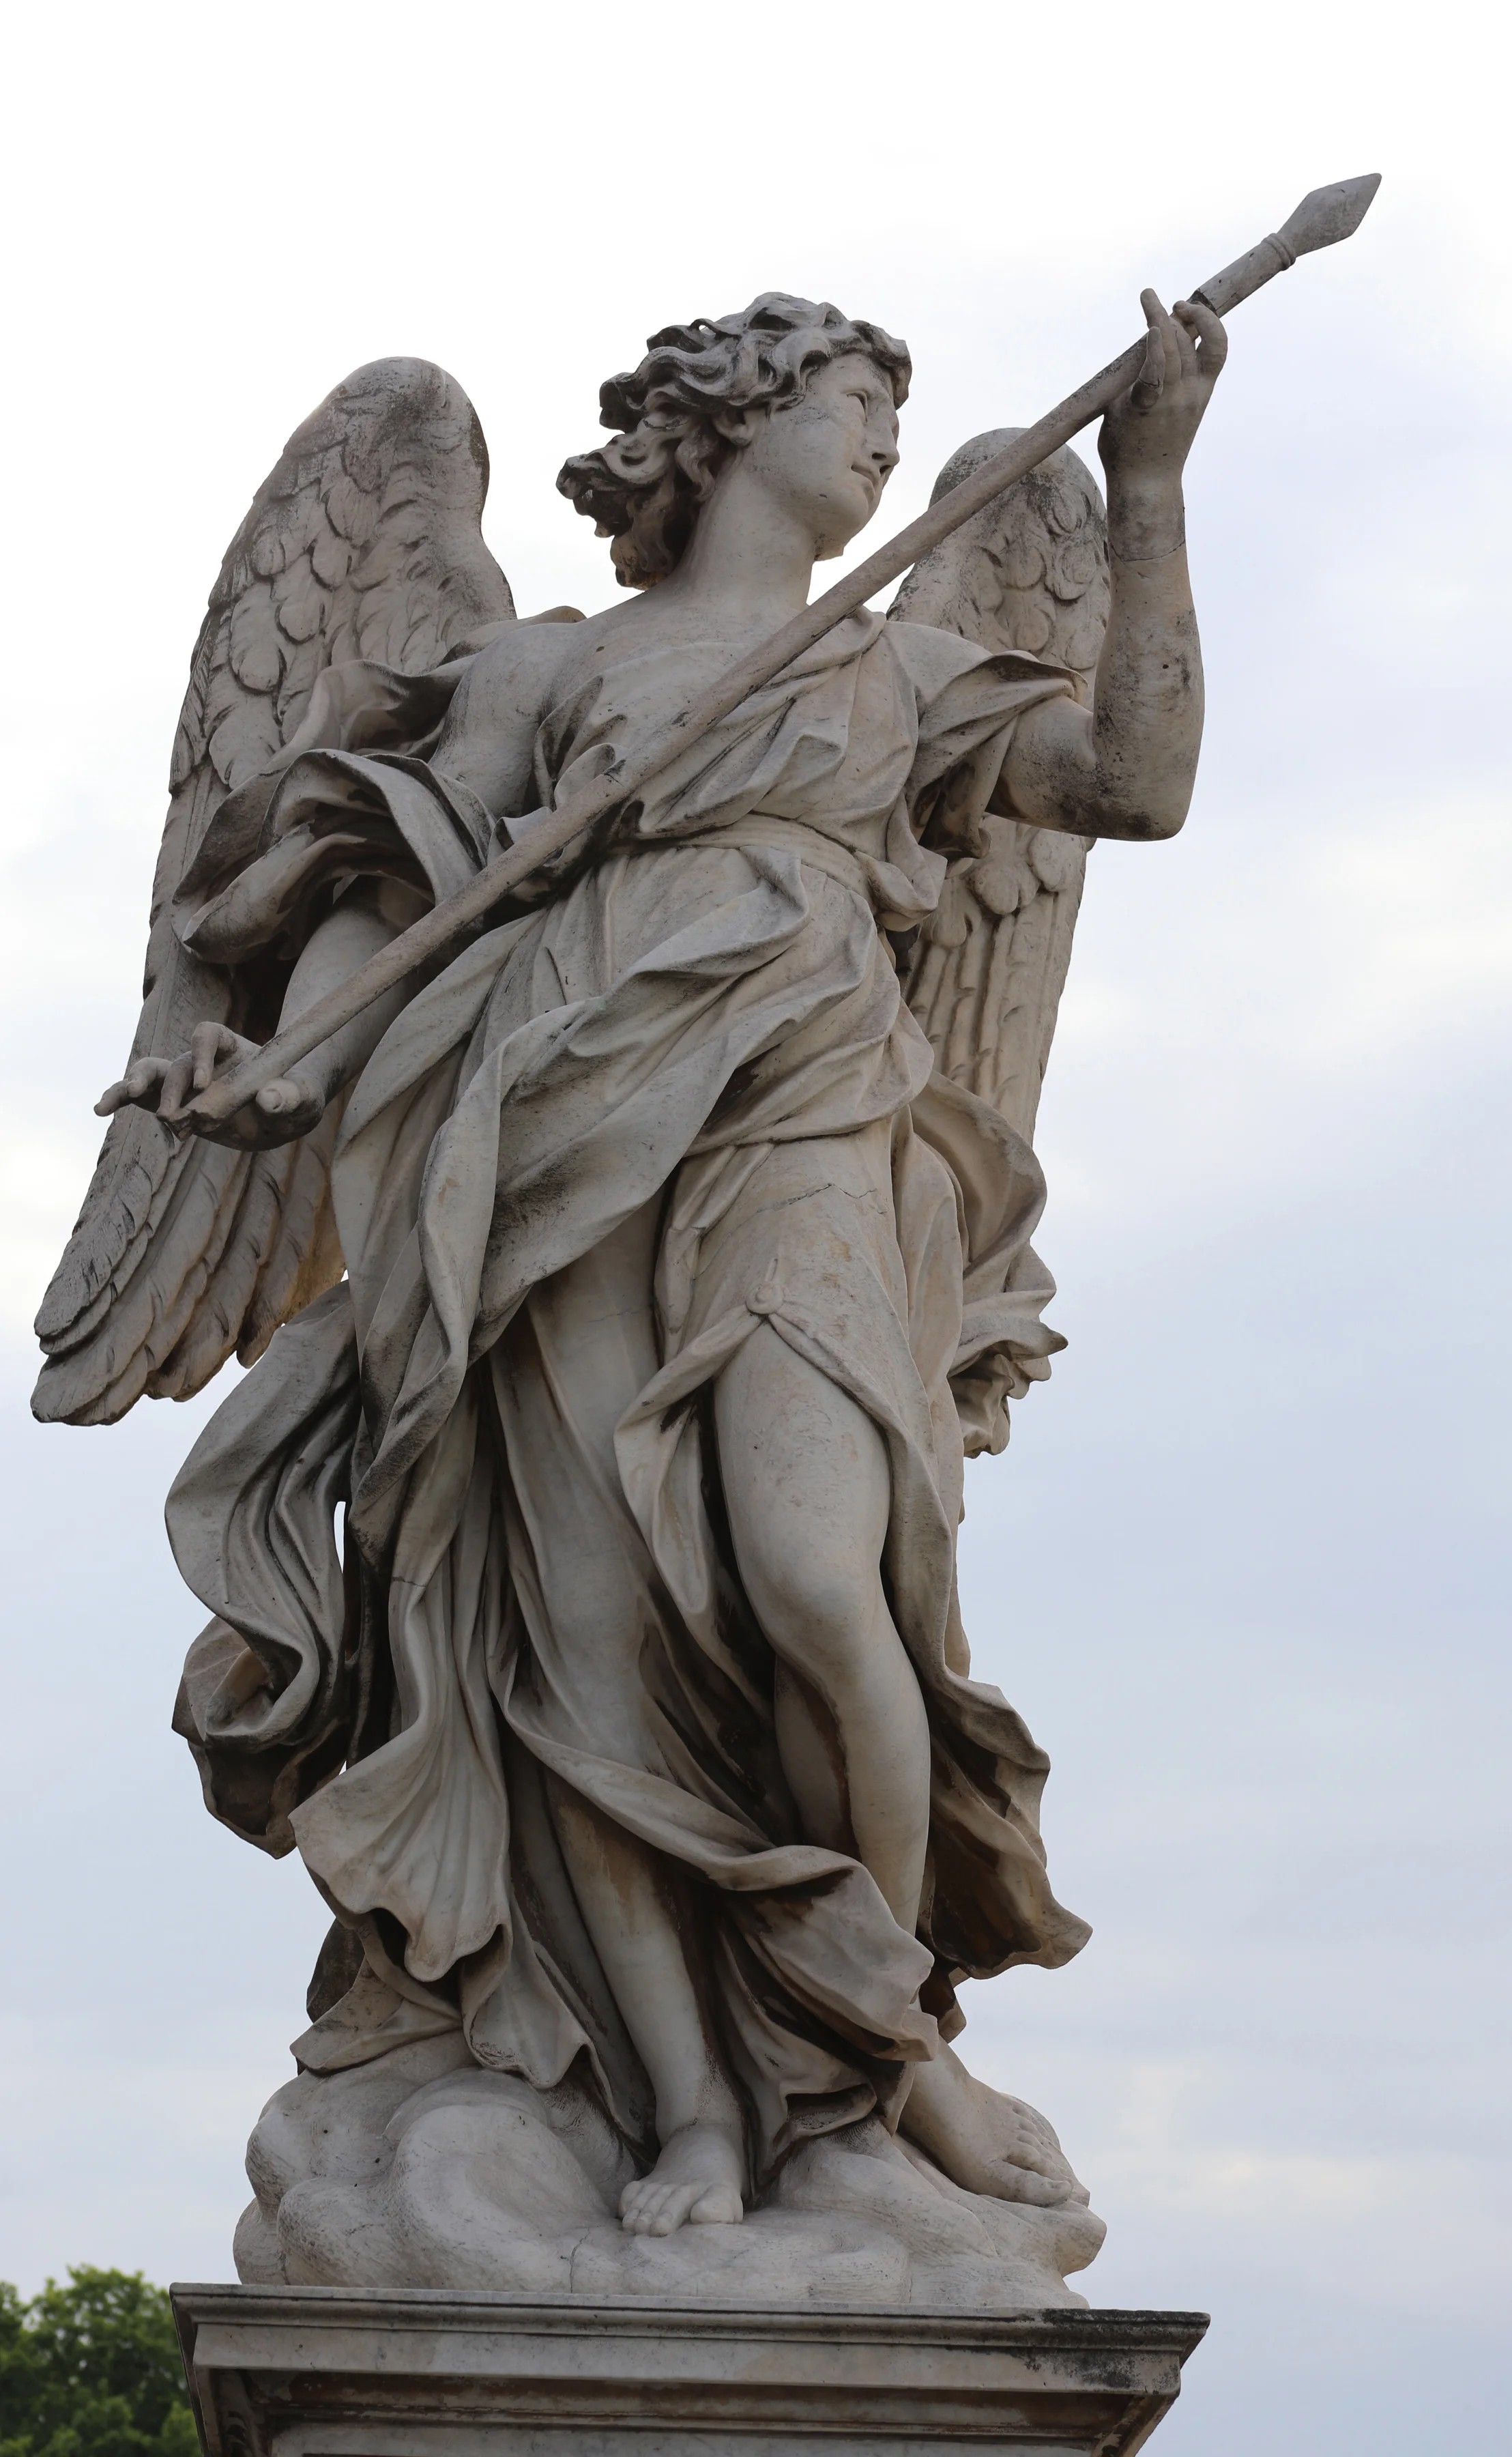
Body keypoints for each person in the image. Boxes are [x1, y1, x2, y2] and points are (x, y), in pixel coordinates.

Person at [104, 287, 1225, 2239]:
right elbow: (402, 921)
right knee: (582, 1649)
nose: (886, 441)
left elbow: (1138, 784)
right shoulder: (553, 672)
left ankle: (873, 2053)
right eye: (857, 402)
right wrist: (281, 1093)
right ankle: (698, 2108)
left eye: (897, 413)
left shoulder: (900, 671)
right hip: (547, 1148)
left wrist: (1148, 484)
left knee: (817, 1579)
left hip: (801, 1117)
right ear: (734, 420)